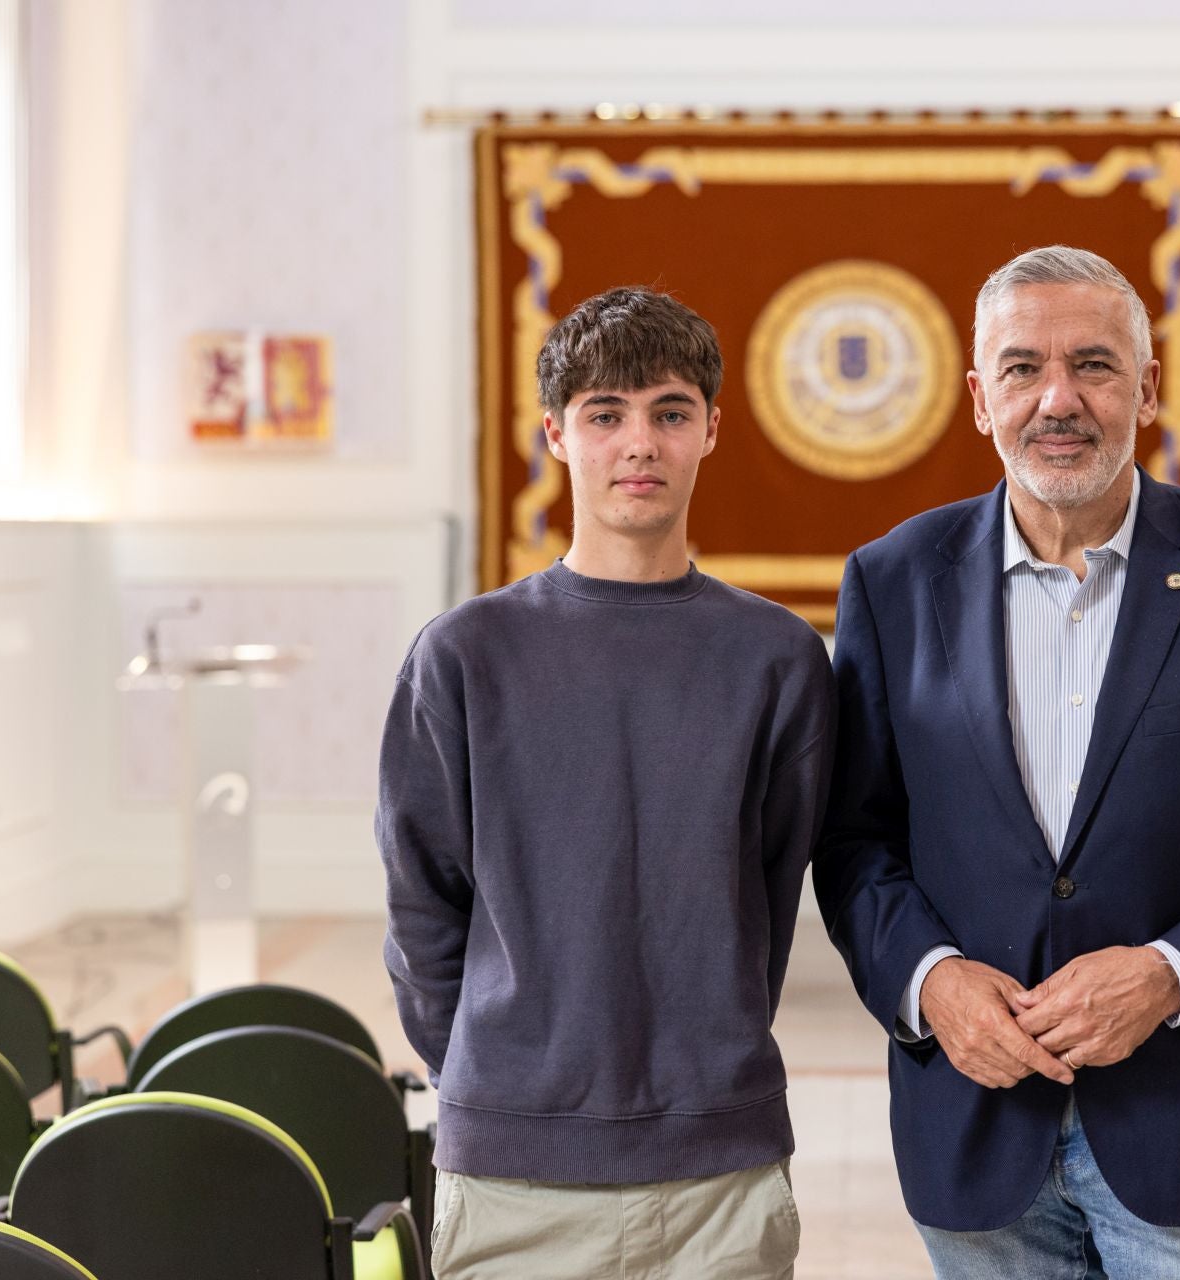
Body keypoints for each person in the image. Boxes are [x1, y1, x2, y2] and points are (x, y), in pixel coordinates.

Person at [813, 246, 1180, 1278]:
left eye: (1093, 363)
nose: (1058, 398)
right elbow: (856, 841)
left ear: (1148, 385)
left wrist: (1170, 975)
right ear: (978, 397)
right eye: (1021, 368)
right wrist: (933, 980)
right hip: (975, 1133)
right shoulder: (891, 579)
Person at [377, 286, 834, 1280]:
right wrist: (498, 1077)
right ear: (556, 432)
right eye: (605, 414)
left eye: (671, 411)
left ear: (711, 429)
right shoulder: (465, 653)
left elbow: (771, 884)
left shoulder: (779, 657)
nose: (641, 442)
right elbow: (423, 902)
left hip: (720, 1162)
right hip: (513, 1174)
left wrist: (700, 1050)